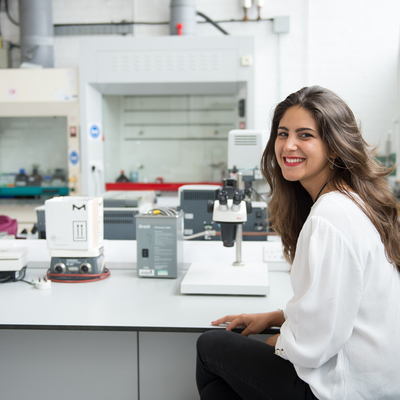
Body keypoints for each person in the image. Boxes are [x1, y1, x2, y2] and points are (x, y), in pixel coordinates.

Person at [196, 85, 400, 400]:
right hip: (373, 382)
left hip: (344, 389)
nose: (289, 145)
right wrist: (279, 317)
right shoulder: (352, 201)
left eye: (305, 135)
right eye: (282, 133)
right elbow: (338, 305)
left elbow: (312, 345)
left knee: (211, 347)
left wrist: (277, 341)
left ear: (333, 147)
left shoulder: (329, 216)